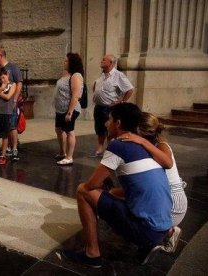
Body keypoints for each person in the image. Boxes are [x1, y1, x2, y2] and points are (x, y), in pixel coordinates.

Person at [60, 103, 172, 268]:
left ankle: (92, 254)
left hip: (147, 232)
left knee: (83, 191)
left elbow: (92, 185)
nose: (106, 123)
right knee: (111, 192)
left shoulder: (119, 145)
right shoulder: (144, 145)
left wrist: (101, 191)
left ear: (118, 123)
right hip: (162, 228)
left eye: (109, 120)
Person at [118, 112, 187, 253]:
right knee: (117, 194)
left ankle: (166, 232)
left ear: (138, 131)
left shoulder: (161, 145)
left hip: (172, 203)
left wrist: (141, 141)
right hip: (164, 197)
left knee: (121, 205)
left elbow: (168, 163)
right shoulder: (148, 145)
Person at [91, 54, 134, 157]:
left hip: (109, 108)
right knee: (100, 128)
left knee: (110, 130)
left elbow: (130, 89)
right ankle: (100, 148)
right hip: (99, 107)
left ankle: (111, 150)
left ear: (111, 63)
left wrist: (122, 102)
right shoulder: (102, 74)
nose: (101, 61)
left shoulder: (118, 75)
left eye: (104, 60)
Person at [0, 47, 23, 161]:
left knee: (11, 127)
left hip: (9, 104)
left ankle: (14, 149)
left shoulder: (12, 67)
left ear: (1, 55)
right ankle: (0, 152)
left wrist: (14, 100)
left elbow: (19, 84)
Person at [54, 52, 84, 165]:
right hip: (60, 109)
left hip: (70, 109)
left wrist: (70, 112)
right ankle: (62, 152)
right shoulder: (67, 74)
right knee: (58, 129)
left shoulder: (76, 75)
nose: (64, 62)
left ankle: (69, 157)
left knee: (69, 131)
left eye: (66, 61)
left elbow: (76, 95)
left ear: (72, 62)